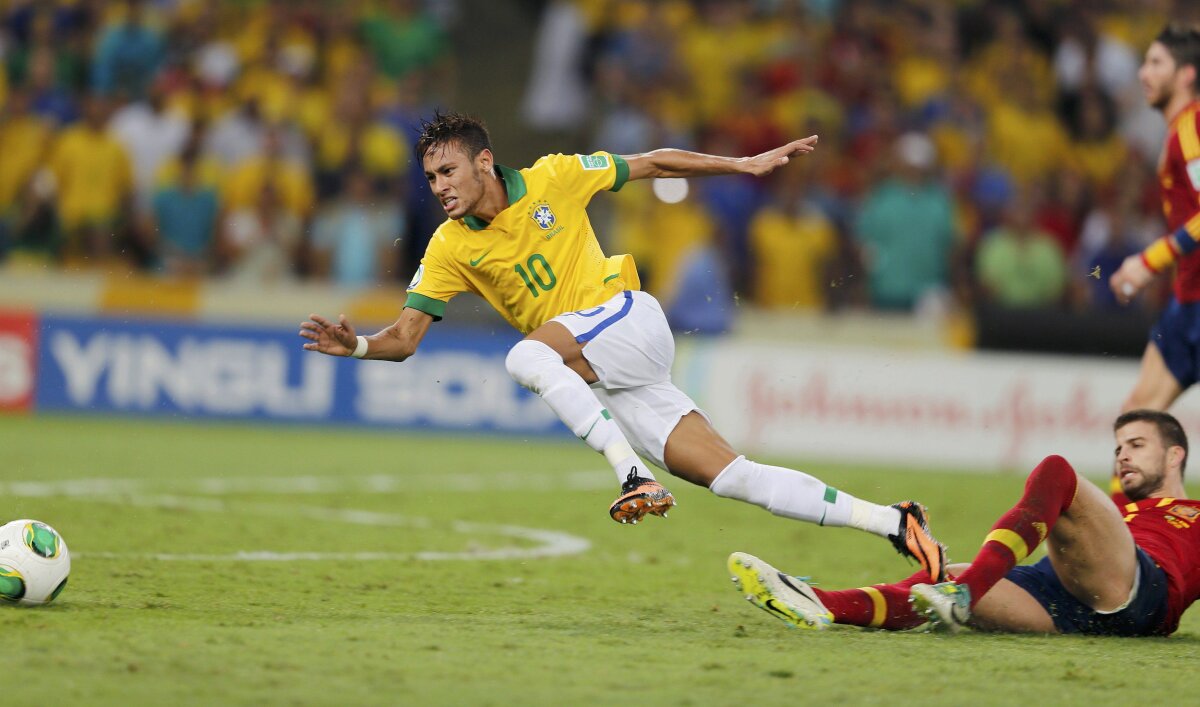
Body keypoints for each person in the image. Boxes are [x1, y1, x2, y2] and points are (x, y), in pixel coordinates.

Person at [299, 111, 946, 582]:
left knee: (525, 355)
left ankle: (632, 476)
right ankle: (895, 522)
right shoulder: (449, 246)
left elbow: (653, 163)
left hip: (627, 319)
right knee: (734, 476)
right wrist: (356, 346)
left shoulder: (554, 177)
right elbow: (406, 339)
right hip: (610, 375)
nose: (438, 186)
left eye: (447, 170)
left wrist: (742, 165)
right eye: (430, 177)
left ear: (484, 163)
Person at [729, 410, 1200, 636]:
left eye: (1136, 445)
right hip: (1066, 608)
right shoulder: (1119, 514)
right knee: (939, 580)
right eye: (1118, 447)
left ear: (1175, 454)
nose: (1122, 455)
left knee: (1057, 471)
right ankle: (822, 604)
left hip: (1138, 592)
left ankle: (964, 594)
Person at [1109, 25, 1200, 412]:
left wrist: (1150, 261)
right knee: (1137, 420)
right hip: (1188, 300)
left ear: (1187, 74)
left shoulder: (1191, 128)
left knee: (1139, 425)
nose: (1143, 73)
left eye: (1155, 63)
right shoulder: (1178, 133)